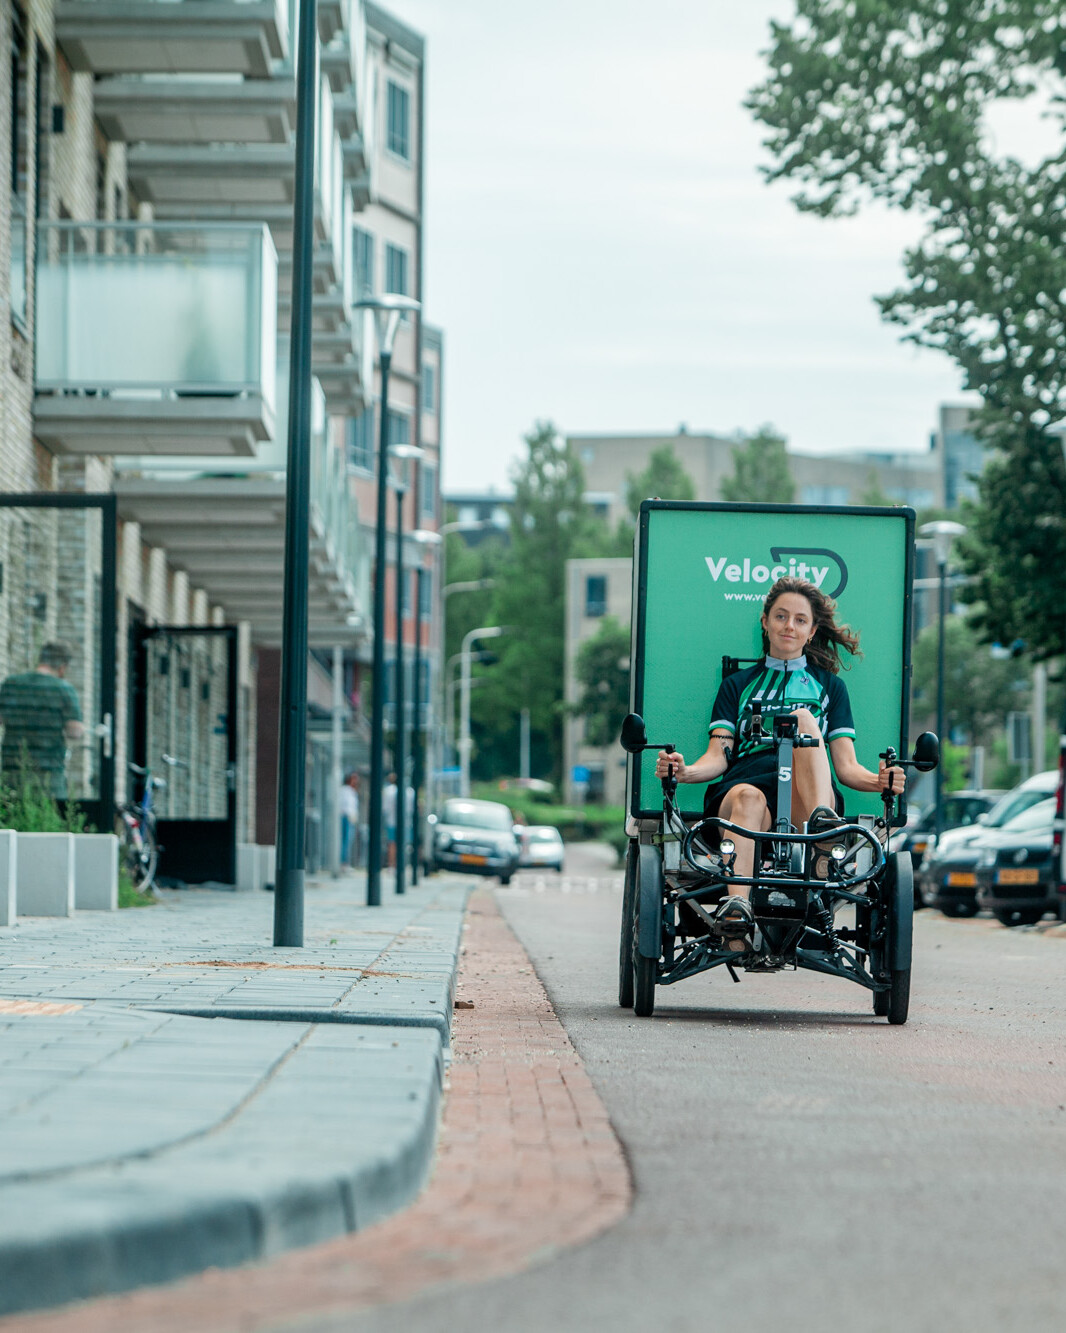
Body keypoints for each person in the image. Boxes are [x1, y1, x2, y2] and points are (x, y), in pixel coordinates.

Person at [654, 577, 904, 946]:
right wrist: (684, 770)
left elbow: (847, 768)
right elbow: (717, 756)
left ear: (812, 631)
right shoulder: (737, 685)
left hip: (808, 799)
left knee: (804, 719)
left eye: (800, 620)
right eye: (781, 616)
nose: (790, 626)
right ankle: (736, 910)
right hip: (746, 785)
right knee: (747, 798)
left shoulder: (830, 687)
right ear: (765, 621)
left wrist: (881, 782)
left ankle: (821, 836)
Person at [0, 642, 85, 800]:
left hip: (12, 769)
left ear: (41, 660)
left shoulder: (11, 683)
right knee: (50, 818)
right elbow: (75, 731)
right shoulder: (64, 689)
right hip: (48, 774)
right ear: (62, 667)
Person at [339, 772, 360, 869]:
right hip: (346, 817)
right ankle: (343, 862)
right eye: (354, 779)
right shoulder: (345, 790)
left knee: (348, 841)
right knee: (345, 841)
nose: (356, 781)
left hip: (351, 818)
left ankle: (345, 862)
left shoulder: (353, 791)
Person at [383, 772, 398, 868]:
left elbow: (384, 808)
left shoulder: (387, 791)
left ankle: (391, 864)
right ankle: (396, 863)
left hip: (391, 821)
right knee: (399, 843)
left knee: (391, 844)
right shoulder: (406, 791)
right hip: (403, 823)